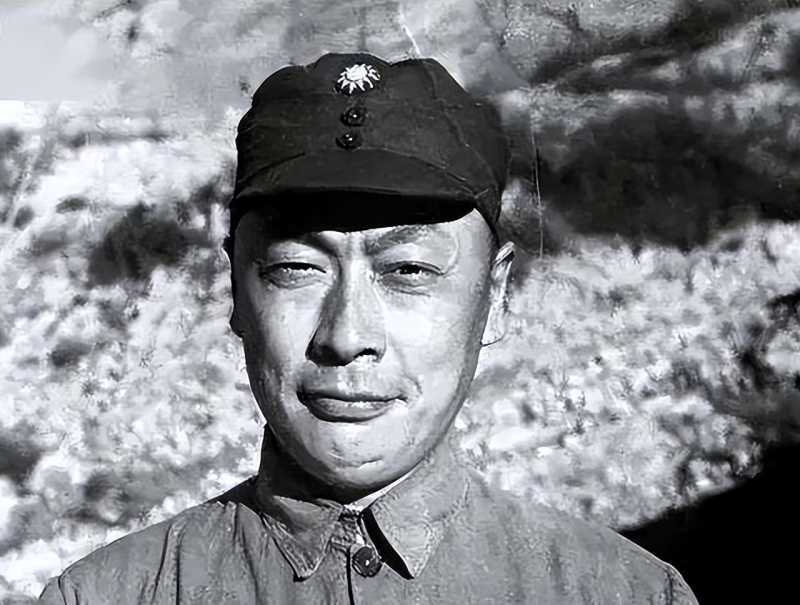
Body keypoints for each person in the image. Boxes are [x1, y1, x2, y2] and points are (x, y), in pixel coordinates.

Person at [39, 52, 698, 604]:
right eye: (296, 268)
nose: (347, 335)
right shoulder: (102, 596)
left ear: (494, 296)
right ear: (237, 287)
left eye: (408, 269)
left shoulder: (630, 594)